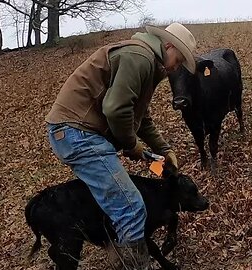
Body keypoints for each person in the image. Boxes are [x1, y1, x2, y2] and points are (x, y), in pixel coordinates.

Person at [44, 23, 197, 269]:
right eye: (178, 60)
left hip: (76, 132)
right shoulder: (139, 57)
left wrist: (164, 149)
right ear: (168, 46)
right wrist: (132, 144)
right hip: (77, 133)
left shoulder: (146, 61)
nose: (176, 68)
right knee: (132, 208)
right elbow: (116, 109)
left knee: (125, 206)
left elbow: (140, 117)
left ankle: (124, 259)